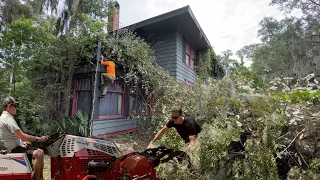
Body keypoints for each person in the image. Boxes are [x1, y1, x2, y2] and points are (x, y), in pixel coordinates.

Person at [0, 96, 48, 180]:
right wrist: (38, 139)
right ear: (9, 107)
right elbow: (21, 135)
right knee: (39, 154)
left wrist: (22, 142)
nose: (16, 108)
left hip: (13, 146)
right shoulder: (7, 118)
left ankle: (39, 177)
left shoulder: (5, 117)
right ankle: (38, 178)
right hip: (13, 149)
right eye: (15, 106)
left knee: (40, 151)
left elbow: (14, 136)